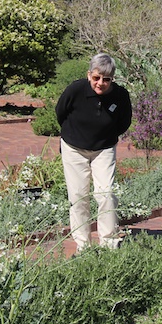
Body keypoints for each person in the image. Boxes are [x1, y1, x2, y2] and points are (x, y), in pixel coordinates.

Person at [56, 53, 132, 250]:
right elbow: (60, 112)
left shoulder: (120, 96)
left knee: (106, 194)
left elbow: (124, 122)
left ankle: (108, 242)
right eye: (96, 78)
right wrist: (73, 135)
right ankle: (83, 245)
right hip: (74, 148)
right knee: (78, 196)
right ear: (89, 75)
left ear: (112, 79)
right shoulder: (75, 90)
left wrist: (106, 137)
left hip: (104, 149)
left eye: (106, 79)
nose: (101, 83)